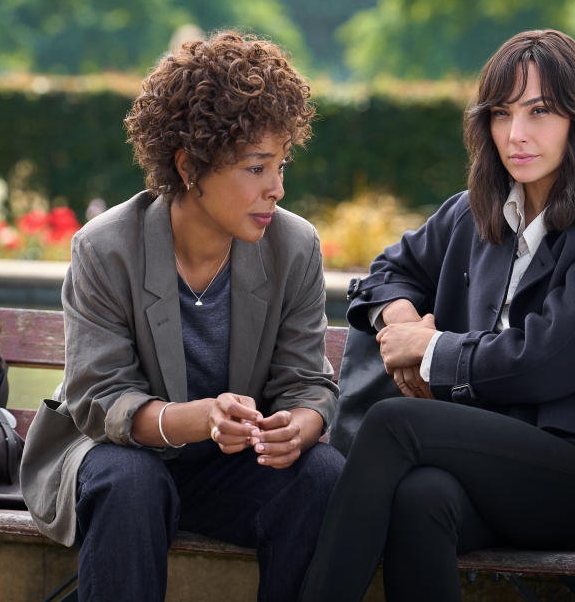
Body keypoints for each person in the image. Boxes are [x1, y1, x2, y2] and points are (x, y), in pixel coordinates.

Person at [300, 29, 575, 601]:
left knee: (393, 421)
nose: (516, 135)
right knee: (421, 497)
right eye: (501, 114)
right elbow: (381, 276)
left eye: (540, 112)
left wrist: (428, 352)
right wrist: (399, 321)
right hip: (489, 462)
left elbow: (546, 362)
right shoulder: (475, 215)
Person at [19, 30, 344, 602]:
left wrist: (300, 426)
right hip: (117, 459)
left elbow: (307, 380)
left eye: (281, 164)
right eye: (256, 167)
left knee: (322, 474)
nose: (277, 187)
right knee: (132, 482)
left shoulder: (294, 246)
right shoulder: (106, 248)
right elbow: (100, 397)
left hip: (227, 472)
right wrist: (198, 419)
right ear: (190, 164)